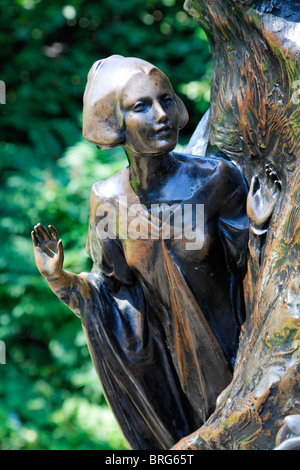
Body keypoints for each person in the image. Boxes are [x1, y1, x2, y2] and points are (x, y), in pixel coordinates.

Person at [31, 55, 272, 450]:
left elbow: (255, 277)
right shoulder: (107, 201)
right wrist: (59, 279)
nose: (161, 115)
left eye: (165, 100)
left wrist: (259, 227)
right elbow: (114, 296)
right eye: (141, 106)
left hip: (238, 361)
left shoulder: (215, 180)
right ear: (114, 122)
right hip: (170, 378)